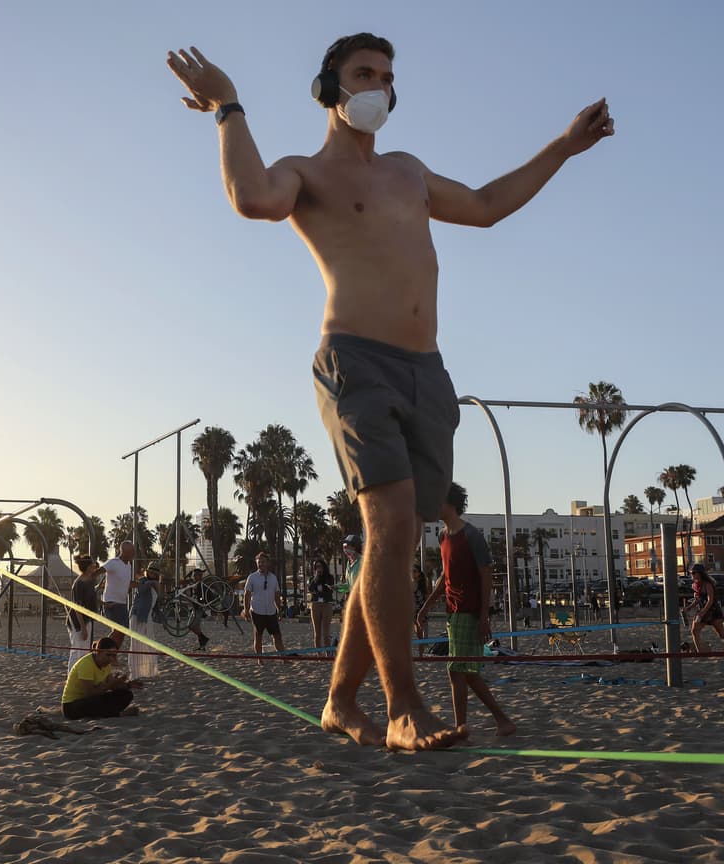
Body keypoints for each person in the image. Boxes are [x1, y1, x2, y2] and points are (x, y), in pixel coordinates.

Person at [166, 33, 612, 750]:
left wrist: (562, 147)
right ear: (328, 89)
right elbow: (252, 198)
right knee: (390, 528)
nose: (379, 86)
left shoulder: (408, 171)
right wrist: (228, 106)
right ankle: (404, 705)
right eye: (363, 74)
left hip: (428, 371)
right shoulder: (303, 172)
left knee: (399, 543)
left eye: (387, 76)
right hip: (354, 363)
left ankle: (340, 701)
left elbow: (490, 204)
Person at [416, 483, 515, 738]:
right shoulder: (442, 536)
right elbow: (444, 578)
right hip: (453, 611)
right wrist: (426, 607)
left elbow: (486, 577)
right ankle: (466, 726)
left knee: (461, 669)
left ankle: (492, 721)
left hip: (469, 611)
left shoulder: (471, 535)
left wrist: (484, 617)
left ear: (450, 504)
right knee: (462, 670)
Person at [61, 637, 143, 720]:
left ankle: (108, 713)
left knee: (126, 694)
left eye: (114, 655)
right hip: (72, 706)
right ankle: (118, 714)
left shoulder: (106, 665)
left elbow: (111, 686)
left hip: (91, 699)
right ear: (98, 652)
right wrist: (111, 684)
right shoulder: (86, 664)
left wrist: (128, 685)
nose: (111, 658)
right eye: (108, 655)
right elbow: (90, 693)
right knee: (95, 702)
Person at [243, 552, 285, 663]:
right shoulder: (252, 577)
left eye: (263, 562)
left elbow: (276, 595)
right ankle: (260, 659)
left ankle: (284, 658)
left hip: (271, 611)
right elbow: (247, 594)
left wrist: (279, 610)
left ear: (268, 563)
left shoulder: (273, 578)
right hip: (257, 610)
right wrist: (246, 610)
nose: (261, 564)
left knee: (277, 636)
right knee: (258, 636)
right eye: (259, 562)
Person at [68, 554, 102, 670]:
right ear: (87, 567)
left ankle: (81, 674)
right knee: (78, 650)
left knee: (85, 650)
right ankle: (72, 675)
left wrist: (104, 604)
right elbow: (78, 607)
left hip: (87, 619)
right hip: (78, 621)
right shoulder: (79, 584)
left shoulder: (90, 581)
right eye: (92, 564)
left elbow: (91, 599)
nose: (94, 565)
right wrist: (83, 628)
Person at [99, 540, 136, 647]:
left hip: (122, 603)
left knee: (123, 631)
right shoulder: (113, 563)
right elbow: (98, 571)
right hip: (111, 603)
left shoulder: (128, 565)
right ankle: (101, 648)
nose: (133, 554)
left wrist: (143, 584)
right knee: (119, 629)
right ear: (124, 552)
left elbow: (127, 583)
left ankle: (112, 655)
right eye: (132, 552)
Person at [128, 565, 162, 679]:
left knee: (150, 643)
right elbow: (141, 589)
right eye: (150, 572)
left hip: (148, 617)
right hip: (138, 616)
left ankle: (150, 671)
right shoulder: (143, 581)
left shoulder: (156, 584)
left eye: (154, 573)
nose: (152, 574)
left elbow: (155, 603)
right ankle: (135, 672)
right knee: (137, 645)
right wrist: (151, 583)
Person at [687, 563, 724, 653]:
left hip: (713, 611)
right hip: (702, 612)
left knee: (721, 633)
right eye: (691, 573)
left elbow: (710, 600)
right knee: (694, 631)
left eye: (694, 573)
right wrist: (689, 607)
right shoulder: (695, 585)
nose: (692, 575)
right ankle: (700, 652)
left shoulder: (707, 585)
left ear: (700, 573)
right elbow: (697, 599)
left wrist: (703, 611)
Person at [308, 558, 336, 650]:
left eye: (319, 566)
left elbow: (329, 591)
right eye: (316, 567)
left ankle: (327, 654)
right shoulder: (313, 578)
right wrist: (316, 578)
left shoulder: (329, 577)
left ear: (324, 566)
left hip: (326, 604)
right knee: (317, 633)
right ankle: (319, 654)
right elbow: (311, 589)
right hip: (316, 605)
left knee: (326, 633)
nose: (318, 569)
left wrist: (318, 593)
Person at [411, 563, 430, 646]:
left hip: (419, 613)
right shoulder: (407, 584)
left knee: (419, 636)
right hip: (409, 612)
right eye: (411, 571)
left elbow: (427, 600)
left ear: (419, 573)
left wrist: (425, 612)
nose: (412, 573)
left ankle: (421, 656)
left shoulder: (422, 586)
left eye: (414, 571)